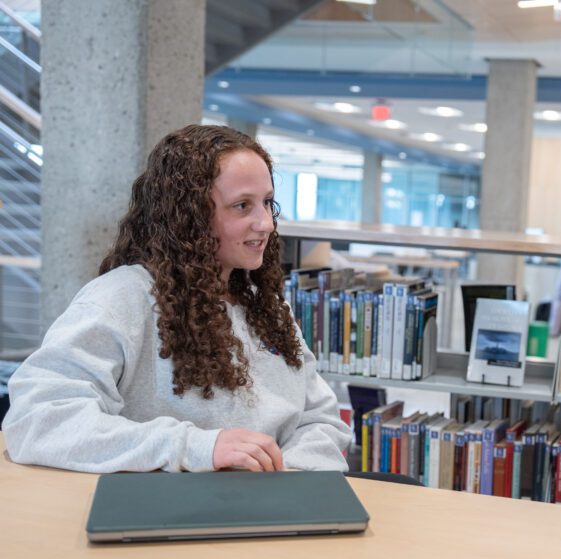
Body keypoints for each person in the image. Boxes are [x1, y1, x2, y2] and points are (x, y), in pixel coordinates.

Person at [2, 124, 351, 473]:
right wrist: (195, 448)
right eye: (242, 206)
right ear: (190, 216)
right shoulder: (122, 299)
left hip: (276, 506)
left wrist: (286, 479)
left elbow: (320, 421)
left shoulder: (268, 308)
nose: (266, 224)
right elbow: (37, 419)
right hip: (167, 512)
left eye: (267, 203)